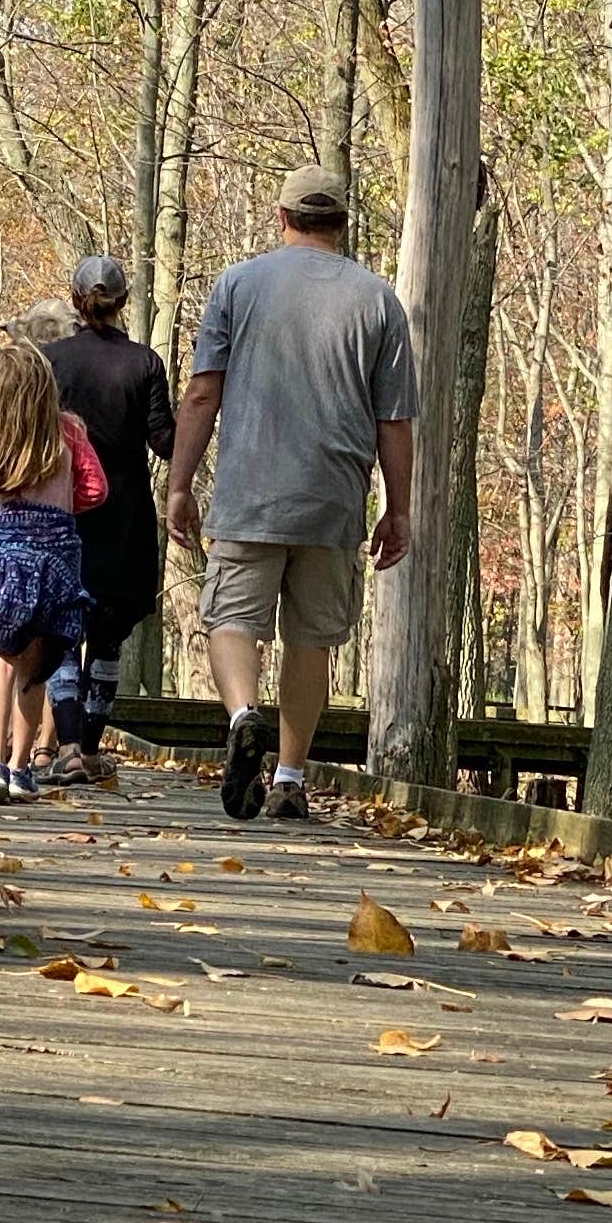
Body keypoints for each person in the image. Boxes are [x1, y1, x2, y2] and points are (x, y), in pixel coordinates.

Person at [165, 163, 415, 823]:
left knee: (231, 621)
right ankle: (289, 777)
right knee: (313, 640)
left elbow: (201, 393)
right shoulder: (378, 300)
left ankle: (244, 714)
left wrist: (180, 483)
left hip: (251, 486)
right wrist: (399, 507)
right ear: (341, 222)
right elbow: (394, 419)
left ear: (282, 219)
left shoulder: (237, 285)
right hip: (333, 496)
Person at [0, 335, 105, 805]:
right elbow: (97, 490)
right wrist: (62, 505)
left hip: (2, 555)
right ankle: (22, 767)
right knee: (36, 670)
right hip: (55, 556)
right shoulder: (70, 433)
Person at [42, 253, 175, 780]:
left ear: (76, 300)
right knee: (108, 635)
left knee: (62, 626)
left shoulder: (51, 359)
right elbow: (163, 442)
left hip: (64, 511)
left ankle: (69, 744)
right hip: (124, 515)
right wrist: (202, 418)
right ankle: (90, 748)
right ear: (123, 304)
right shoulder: (145, 364)